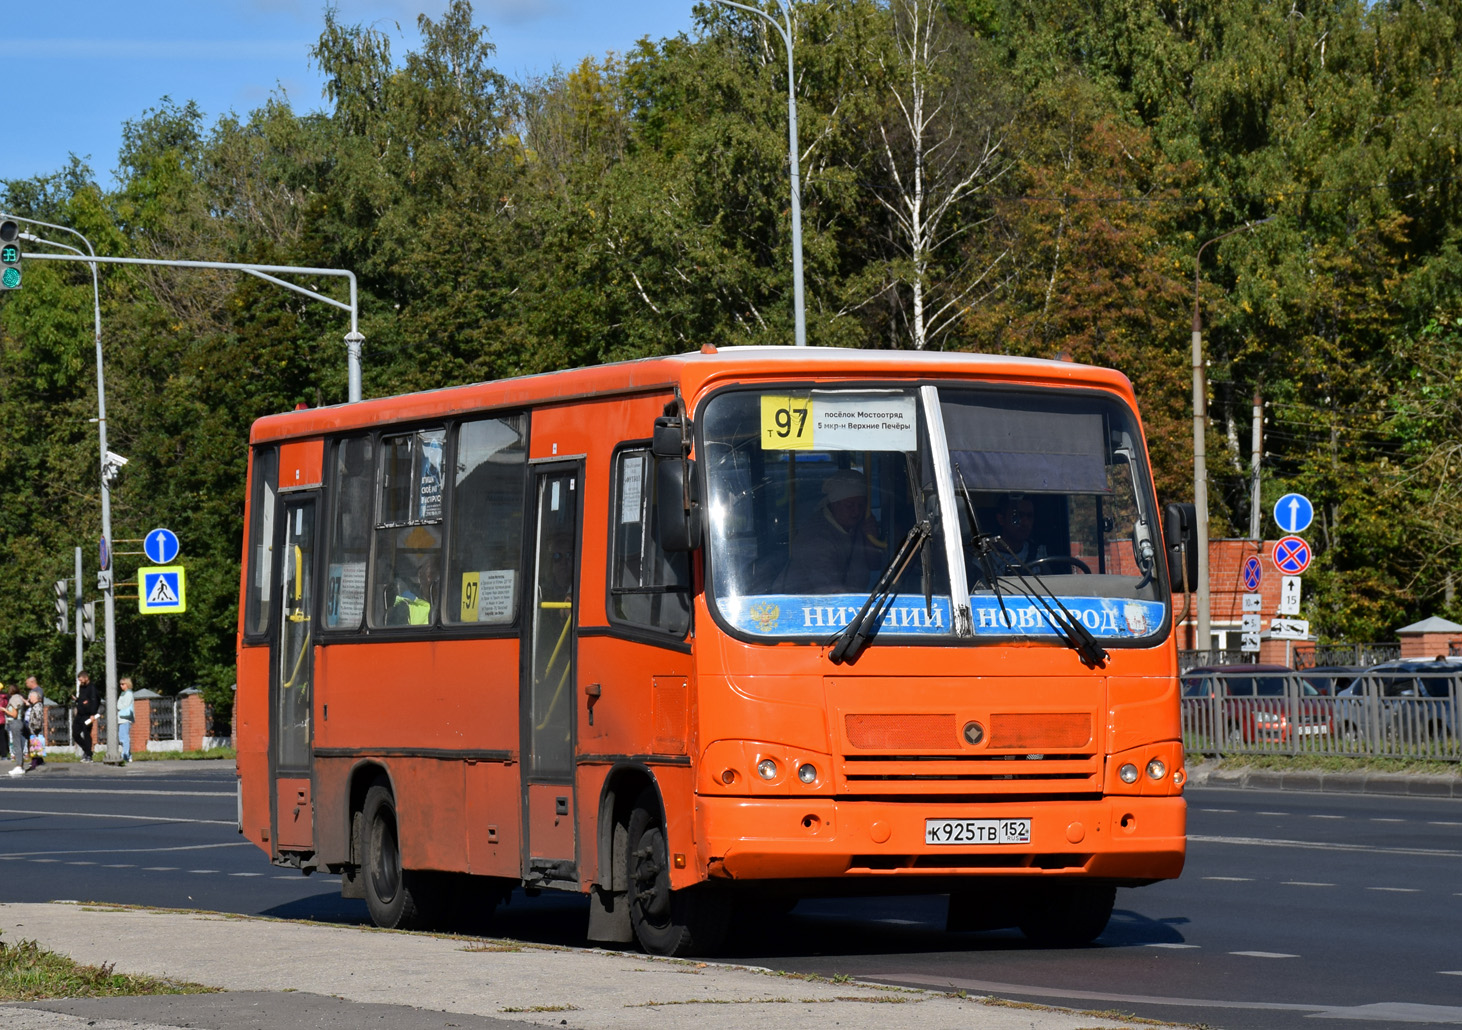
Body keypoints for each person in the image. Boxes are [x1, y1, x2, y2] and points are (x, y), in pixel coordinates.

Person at [783, 469, 883, 594]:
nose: (856, 511)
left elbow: (875, 564)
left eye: (861, 505)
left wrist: (871, 539)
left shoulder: (859, 525)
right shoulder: (816, 538)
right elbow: (831, 592)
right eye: (850, 505)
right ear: (835, 504)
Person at [994, 495, 1047, 567]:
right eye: (1018, 516)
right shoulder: (985, 558)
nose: (1026, 523)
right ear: (1001, 519)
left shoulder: (1040, 553)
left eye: (1029, 516)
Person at [72, 669, 99, 761]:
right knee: (75, 734)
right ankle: (87, 750)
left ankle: (88, 755)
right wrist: (77, 700)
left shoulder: (92, 688)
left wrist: (93, 714)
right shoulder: (81, 687)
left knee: (87, 733)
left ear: (86, 678)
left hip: (88, 715)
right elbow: (82, 699)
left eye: (81, 680)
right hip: (80, 714)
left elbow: (95, 701)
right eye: (79, 680)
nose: (80, 682)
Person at [22, 686, 47, 772]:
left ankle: (34, 763)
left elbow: (38, 718)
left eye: (31, 697)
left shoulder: (37, 706)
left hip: (35, 730)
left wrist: (35, 727)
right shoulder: (35, 705)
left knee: (35, 746)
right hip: (34, 730)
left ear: (35, 697)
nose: (30, 699)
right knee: (36, 746)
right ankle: (39, 761)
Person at [116, 677, 136, 763]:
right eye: (120, 684)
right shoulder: (123, 693)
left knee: (124, 738)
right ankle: (127, 754)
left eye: (123, 684)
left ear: (127, 684)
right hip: (121, 718)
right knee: (121, 737)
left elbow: (123, 705)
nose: (121, 686)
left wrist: (118, 706)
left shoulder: (129, 693)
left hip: (125, 718)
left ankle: (125, 754)